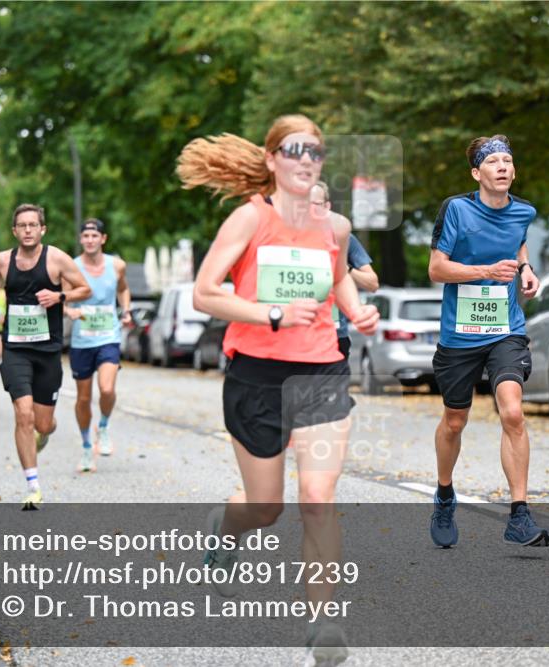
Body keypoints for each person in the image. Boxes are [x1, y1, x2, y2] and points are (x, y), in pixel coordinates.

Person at [179, 114, 379, 664]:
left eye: (315, 151)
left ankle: (323, 624)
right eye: (294, 150)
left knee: (317, 498)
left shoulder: (335, 226)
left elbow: (337, 277)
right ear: (271, 160)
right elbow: (204, 292)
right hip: (256, 376)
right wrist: (272, 313)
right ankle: (226, 529)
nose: (306, 159)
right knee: (266, 506)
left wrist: (357, 312)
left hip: (320, 371)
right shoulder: (250, 218)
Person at [427, 134, 547, 549]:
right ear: (476, 173)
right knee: (454, 421)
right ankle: (445, 495)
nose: (503, 167)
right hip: (459, 334)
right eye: (493, 162)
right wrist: (486, 272)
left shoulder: (524, 211)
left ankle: (519, 515)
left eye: (508, 161)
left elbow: (516, 241)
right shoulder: (456, 210)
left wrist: (526, 269)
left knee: (512, 413)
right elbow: (437, 269)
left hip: (505, 329)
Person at [0, 203, 91, 509]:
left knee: (43, 423)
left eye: (33, 225)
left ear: (43, 229)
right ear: (14, 231)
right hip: (15, 349)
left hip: (48, 352)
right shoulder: (2, 261)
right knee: (23, 414)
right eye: (22, 226)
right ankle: (33, 486)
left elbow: (84, 289)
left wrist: (59, 296)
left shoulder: (57, 259)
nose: (27, 230)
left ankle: (46, 432)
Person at [64, 218, 132, 472]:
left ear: (103, 239)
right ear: (81, 239)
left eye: (94, 236)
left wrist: (126, 309)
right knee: (83, 398)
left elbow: (123, 289)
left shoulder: (117, 265)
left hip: (108, 336)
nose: (90, 240)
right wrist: (68, 310)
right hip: (82, 340)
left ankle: (102, 426)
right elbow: (63, 297)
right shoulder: (72, 266)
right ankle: (85, 447)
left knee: (107, 388)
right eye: (86, 236)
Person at [309, 183, 380, 359]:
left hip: (334, 334)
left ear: (327, 206)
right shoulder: (282, 234)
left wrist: (342, 267)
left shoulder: (343, 236)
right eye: (303, 203)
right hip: (293, 331)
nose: (308, 209)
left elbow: (372, 283)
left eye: (315, 204)